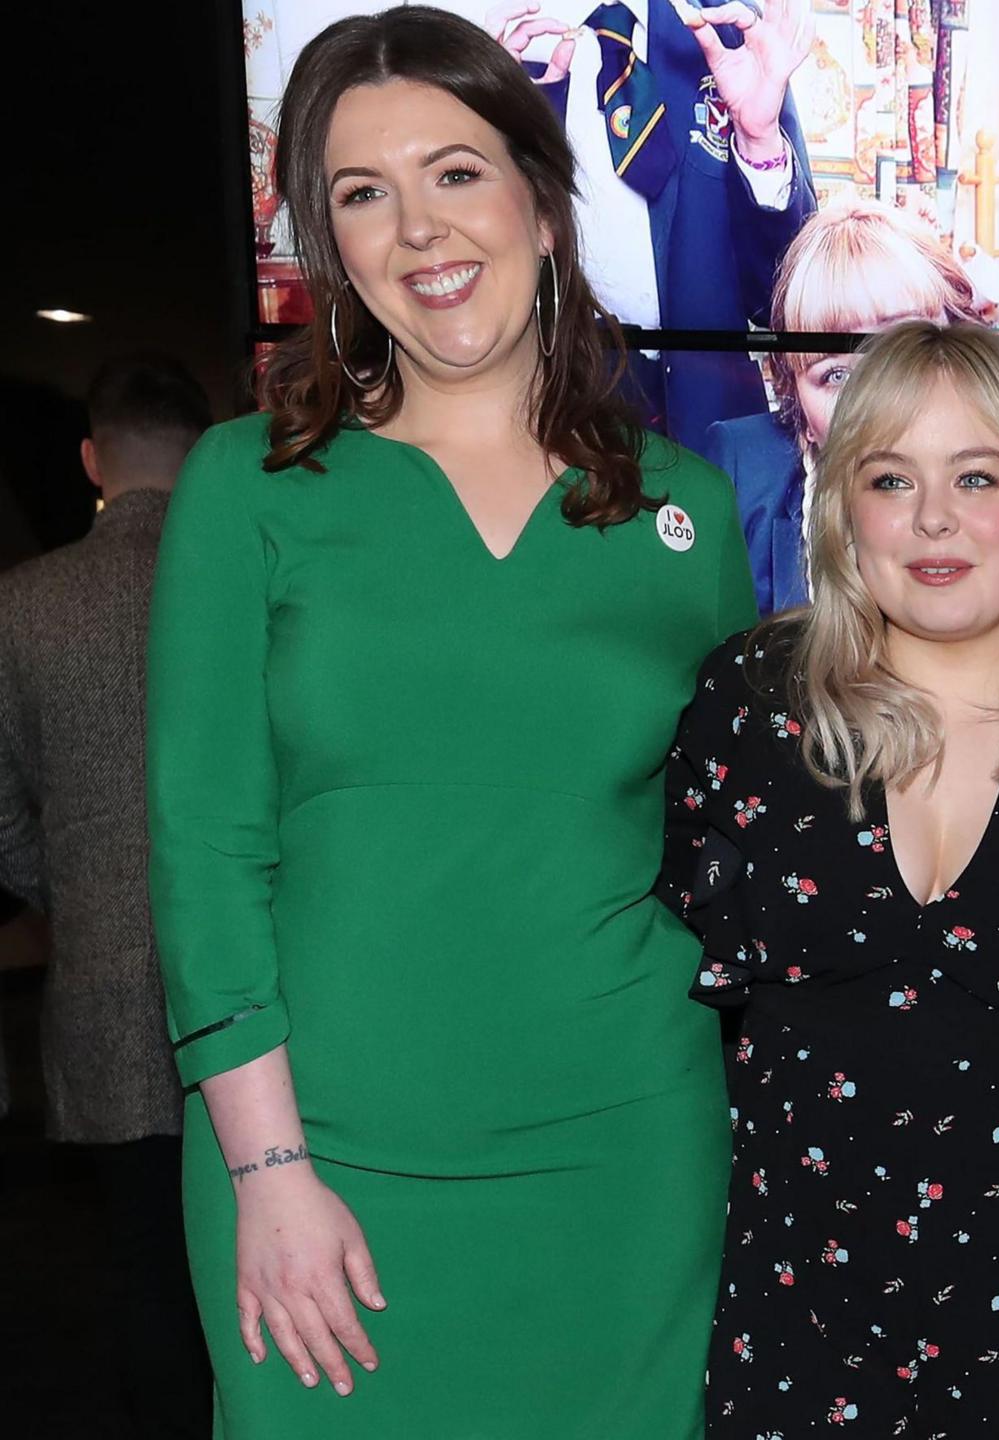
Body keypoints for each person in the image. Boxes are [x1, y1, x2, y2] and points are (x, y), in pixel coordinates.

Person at [148, 10, 753, 1434]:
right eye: (363, 194)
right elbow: (200, 847)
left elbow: (736, 844)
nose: (418, 227)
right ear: (329, 246)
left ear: (542, 201)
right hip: (318, 1160)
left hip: (626, 1152)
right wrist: (267, 1172)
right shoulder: (251, 488)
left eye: (456, 172)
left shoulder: (688, 509)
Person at [659, 320, 999, 1434]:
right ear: (845, 510)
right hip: (797, 1316)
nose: (932, 517)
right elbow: (663, 974)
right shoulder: (751, 707)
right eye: (891, 477)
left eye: (975, 475)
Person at [0, 353, 216, 1439]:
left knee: (145, 1272)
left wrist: (78, 893)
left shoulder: (21, 607)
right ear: (208, 449)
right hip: (271, 988)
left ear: (94, 460)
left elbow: (0, 820)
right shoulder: (253, 583)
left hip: (105, 988)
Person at [488, 0, 819, 453]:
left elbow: (785, 301)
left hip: (712, 429)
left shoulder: (729, 32)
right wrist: (482, 132)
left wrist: (758, 140)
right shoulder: (507, 55)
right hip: (552, 424)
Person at [701, 193, 985, 613]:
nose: (871, 398)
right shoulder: (739, 474)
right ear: (798, 403)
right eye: (835, 375)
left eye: (898, 350)